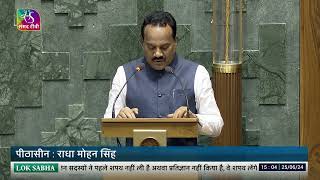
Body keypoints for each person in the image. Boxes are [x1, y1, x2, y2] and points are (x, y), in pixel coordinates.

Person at [104, 11, 223, 146]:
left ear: (176, 42)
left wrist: (194, 119)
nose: (158, 53)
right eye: (151, 47)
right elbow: (108, 119)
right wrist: (119, 117)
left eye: (165, 47)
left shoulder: (197, 73)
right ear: (142, 43)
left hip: (183, 163)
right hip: (138, 163)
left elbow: (217, 125)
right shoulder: (125, 73)